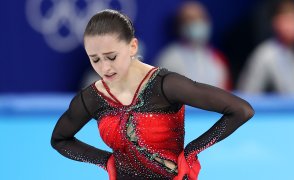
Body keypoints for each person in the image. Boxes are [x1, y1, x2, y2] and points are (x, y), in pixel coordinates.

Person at [50, 9, 254, 180]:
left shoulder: (165, 85)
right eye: (95, 60)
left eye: (111, 57)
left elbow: (241, 110)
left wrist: (191, 152)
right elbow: (60, 139)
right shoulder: (93, 97)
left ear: (132, 46)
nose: (105, 68)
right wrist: (105, 161)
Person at [238, 0, 294, 94]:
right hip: (273, 108)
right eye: (287, 21)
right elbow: (247, 95)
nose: (291, 27)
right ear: (276, 23)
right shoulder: (264, 55)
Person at [155, 1, 232, 90]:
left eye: (201, 18)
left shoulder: (218, 59)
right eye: (190, 19)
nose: (197, 22)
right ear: (180, 25)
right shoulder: (170, 58)